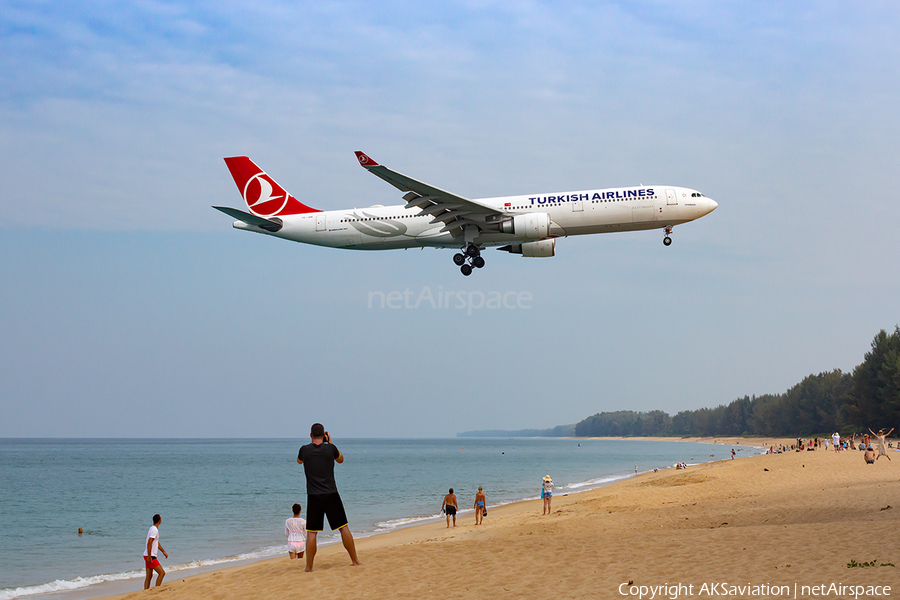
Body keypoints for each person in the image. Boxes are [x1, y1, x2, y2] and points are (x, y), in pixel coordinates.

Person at [297, 424, 361, 571]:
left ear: (311, 435)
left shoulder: (304, 450)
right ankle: (355, 561)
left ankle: (309, 567)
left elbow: (299, 461)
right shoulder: (330, 449)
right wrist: (330, 443)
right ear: (324, 436)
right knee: (343, 527)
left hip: (314, 496)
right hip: (331, 493)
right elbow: (341, 459)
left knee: (312, 532)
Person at [143, 514, 168, 589]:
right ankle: (156, 589)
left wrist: (163, 551)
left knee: (149, 576)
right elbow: (149, 542)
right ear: (159, 520)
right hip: (150, 556)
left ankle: (145, 592)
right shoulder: (154, 530)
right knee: (162, 573)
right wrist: (150, 556)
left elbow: (156, 542)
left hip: (146, 555)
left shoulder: (152, 528)